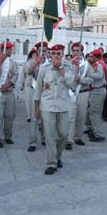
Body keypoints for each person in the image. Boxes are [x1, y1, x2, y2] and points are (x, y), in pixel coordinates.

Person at [34, 44, 74, 175]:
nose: (56, 56)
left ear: (63, 54)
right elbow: (38, 89)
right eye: (54, 53)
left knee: (64, 134)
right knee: (50, 136)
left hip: (63, 106)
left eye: (59, 53)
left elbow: (72, 85)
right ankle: (51, 163)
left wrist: (63, 71)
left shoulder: (68, 67)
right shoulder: (44, 69)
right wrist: (37, 108)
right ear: (50, 55)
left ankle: (57, 156)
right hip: (47, 106)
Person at [0, 42, 18, 148]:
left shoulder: (12, 62)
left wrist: (9, 84)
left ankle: (8, 136)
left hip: (9, 91)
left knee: (10, 116)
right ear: (4, 50)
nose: (11, 51)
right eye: (10, 49)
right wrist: (0, 61)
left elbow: (16, 74)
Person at [66, 42, 91, 150]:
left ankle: (78, 137)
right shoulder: (68, 64)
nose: (76, 52)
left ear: (81, 51)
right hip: (71, 92)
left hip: (83, 92)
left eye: (78, 50)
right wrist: (73, 71)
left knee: (81, 117)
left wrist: (80, 79)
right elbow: (65, 78)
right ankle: (69, 139)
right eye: (74, 50)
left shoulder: (87, 65)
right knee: (71, 117)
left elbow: (90, 80)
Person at [86, 49, 107, 142]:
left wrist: (89, 74)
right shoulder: (97, 64)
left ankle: (97, 133)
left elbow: (99, 75)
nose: (90, 58)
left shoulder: (99, 64)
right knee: (92, 111)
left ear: (95, 57)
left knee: (94, 112)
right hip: (96, 90)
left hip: (98, 89)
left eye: (91, 56)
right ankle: (91, 129)